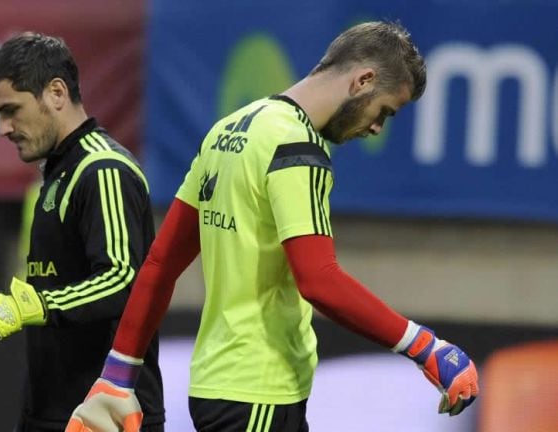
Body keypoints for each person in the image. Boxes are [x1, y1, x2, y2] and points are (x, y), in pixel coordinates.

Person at [67, 21, 479, 432]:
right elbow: (319, 281)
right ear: (364, 80)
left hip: (218, 385)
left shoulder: (227, 130)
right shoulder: (298, 147)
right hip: (259, 392)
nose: (376, 127)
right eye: (384, 111)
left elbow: (160, 262)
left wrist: (119, 372)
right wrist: (426, 346)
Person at [0, 33, 165, 432]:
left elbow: (123, 280)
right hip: (53, 405)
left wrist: (26, 307)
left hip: (103, 413)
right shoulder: (57, 174)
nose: (4, 128)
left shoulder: (102, 170)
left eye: (11, 110)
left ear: (56, 92)